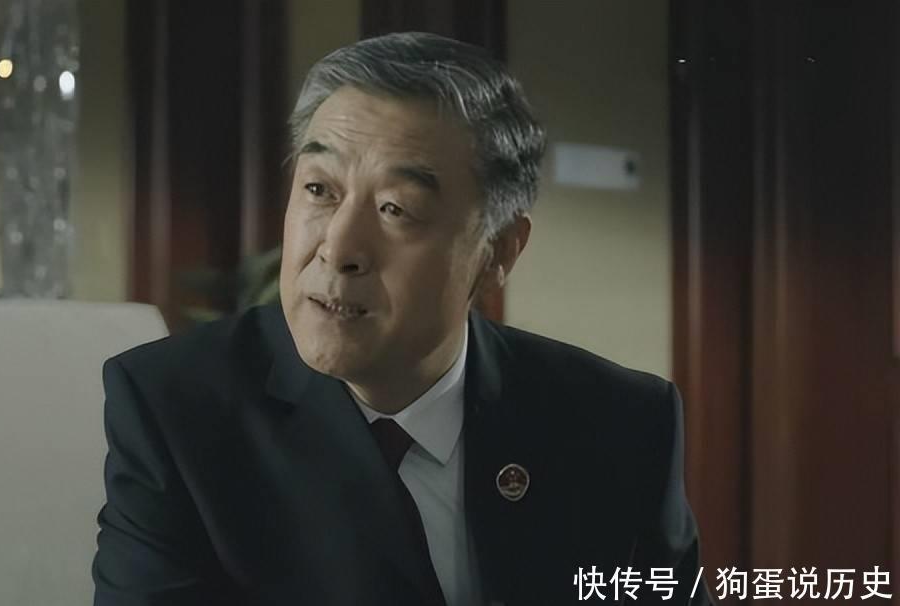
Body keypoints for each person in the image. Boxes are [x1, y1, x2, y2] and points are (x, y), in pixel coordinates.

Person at [92, 32, 711, 606]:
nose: (338, 247)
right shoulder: (177, 411)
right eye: (319, 190)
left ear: (497, 252)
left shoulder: (619, 424)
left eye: (396, 208)